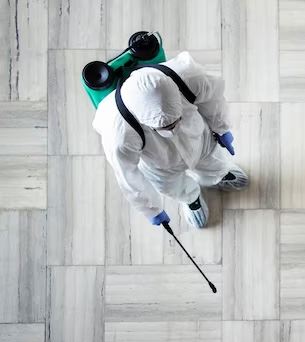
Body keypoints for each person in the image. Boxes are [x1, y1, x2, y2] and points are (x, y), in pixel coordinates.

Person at [92, 52, 248, 229]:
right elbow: (127, 175)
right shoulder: (117, 132)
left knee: (212, 160)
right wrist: (151, 209)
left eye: (176, 120)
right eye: (165, 127)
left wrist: (221, 127)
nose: (173, 130)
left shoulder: (188, 76)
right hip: (158, 164)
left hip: (198, 139)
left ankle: (218, 175)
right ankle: (191, 197)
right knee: (172, 186)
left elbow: (213, 98)